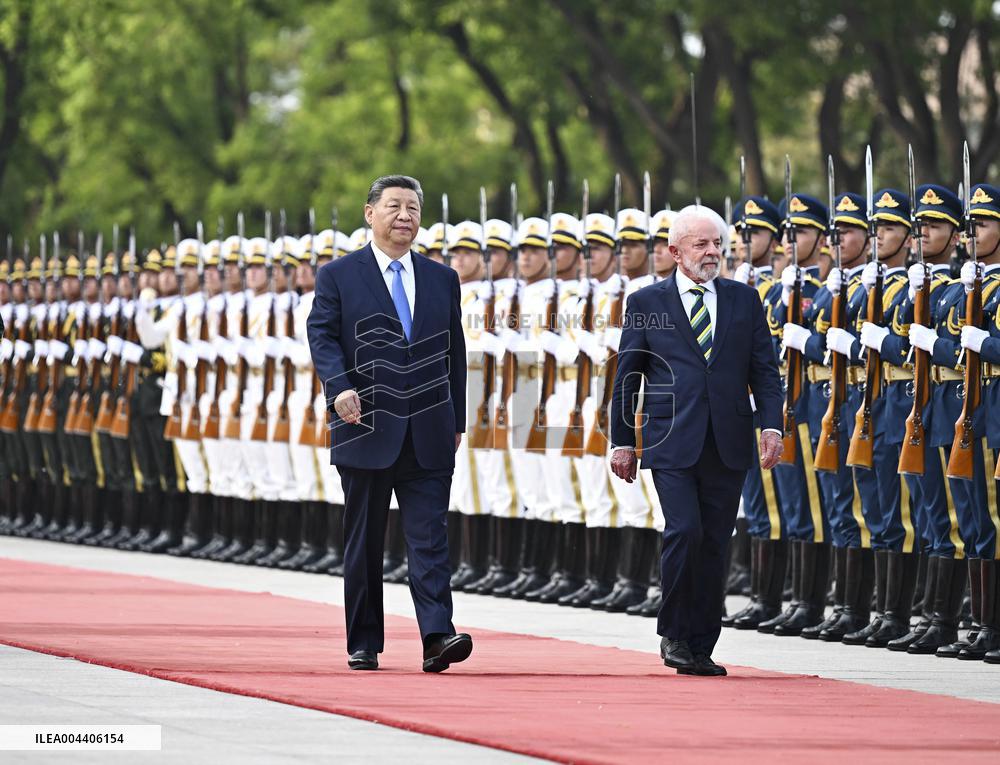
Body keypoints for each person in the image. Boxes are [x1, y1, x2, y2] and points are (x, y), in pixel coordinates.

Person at [609, 204, 783, 676]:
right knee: (684, 530)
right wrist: (622, 440)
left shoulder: (744, 301)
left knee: (715, 542)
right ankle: (674, 633)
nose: (712, 253)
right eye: (701, 244)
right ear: (675, 250)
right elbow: (628, 377)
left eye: (717, 244)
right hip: (671, 439)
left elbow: (765, 371)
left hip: (727, 440)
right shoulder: (647, 303)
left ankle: (702, 641)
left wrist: (772, 425)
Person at [307, 175, 470, 673]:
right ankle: (364, 640)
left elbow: (454, 353)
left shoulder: (442, 278)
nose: (405, 216)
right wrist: (339, 389)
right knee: (364, 540)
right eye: (395, 206)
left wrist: (457, 418)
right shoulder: (339, 276)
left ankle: (437, 636)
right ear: (370, 212)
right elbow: (322, 336)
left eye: (413, 208)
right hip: (365, 424)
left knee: (430, 538)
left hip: (429, 429)